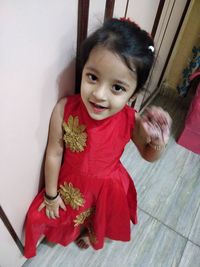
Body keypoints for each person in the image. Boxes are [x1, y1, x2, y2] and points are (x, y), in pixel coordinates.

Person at [24, 18, 172, 258]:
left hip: (107, 186)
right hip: (72, 182)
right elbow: (54, 152)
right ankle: (77, 229)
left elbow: (148, 155)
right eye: (92, 77)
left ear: (134, 93)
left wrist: (157, 141)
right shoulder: (65, 108)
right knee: (55, 214)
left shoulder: (130, 120)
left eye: (117, 88)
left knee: (99, 217)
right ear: (83, 70)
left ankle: (89, 232)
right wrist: (51, 195)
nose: (99, 95)